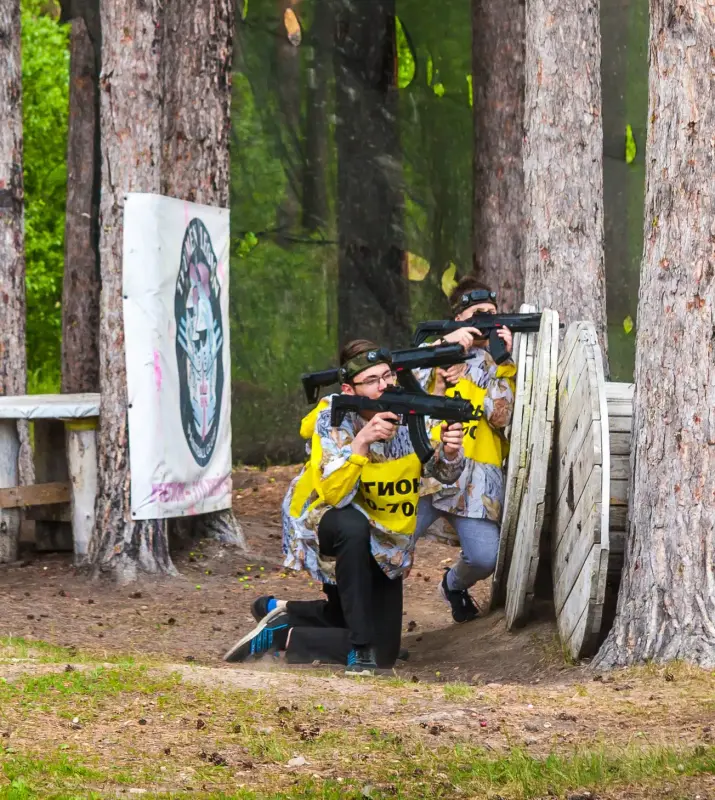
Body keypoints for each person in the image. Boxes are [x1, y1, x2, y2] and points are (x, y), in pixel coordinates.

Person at [224, 339, 465, 675]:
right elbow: (335, 495)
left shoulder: (411, 414)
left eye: (387, 376)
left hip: (384, 534)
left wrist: (451, 453)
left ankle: (285, 625)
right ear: (350, 388)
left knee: (385, 651)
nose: (384, 386)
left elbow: (442, 473)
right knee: (351, 526)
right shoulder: (332, 417)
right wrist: (361, 442)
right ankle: (358, 648)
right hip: (326, 522)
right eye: (372, 381)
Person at [413, 276, 516, 624]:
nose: (486, 318)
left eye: (491, 312)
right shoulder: (433, 351)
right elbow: (394, 376)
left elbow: (501, 416)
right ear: (459, 320)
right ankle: (360, 609)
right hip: (427, 475)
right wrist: (443, 344)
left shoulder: (498, 363)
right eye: (477, 313)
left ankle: (453, 585)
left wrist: (473, 381)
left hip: (476, 482)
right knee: (390, 543)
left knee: (485, 558)